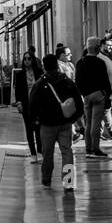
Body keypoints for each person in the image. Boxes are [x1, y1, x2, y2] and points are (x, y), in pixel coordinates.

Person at [29, 53, 84, 189]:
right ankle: (68, 182)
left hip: (47, 124)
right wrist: (73, 118)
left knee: (47, 153)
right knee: (67, 152)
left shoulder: (40, 83)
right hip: (65, 123)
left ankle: (47, 179)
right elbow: (78, 101)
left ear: (44, 66)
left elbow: (32, 104)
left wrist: (35, 120)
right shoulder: (67, 81)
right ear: (57, 65)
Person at [75, 38, 112, 157]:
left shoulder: (80, 62)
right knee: (96, 123)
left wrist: (84, 93)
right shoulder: (100, 63)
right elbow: (105, 80)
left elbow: (78, 81)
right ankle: (95, 148)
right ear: (97, 48)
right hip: (98, 95)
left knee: (88, 123)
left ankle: (88, 148)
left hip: (86, 96)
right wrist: (107, 94)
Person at [12, 48, 44, 161]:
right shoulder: (20, 74)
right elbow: (18, 91)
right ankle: (33, 154)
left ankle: (40, 151)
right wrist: (19, 103)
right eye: (25, 59)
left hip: (38, 104)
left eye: (29, 59)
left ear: (33, 60)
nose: (26, 61)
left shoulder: (39, 73)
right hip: (26, 104)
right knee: (29, 129)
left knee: (39, 128)